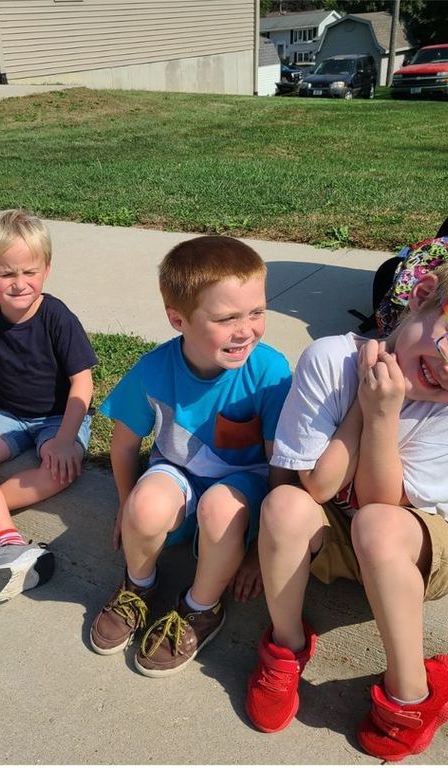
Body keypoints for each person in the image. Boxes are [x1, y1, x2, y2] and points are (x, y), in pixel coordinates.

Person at [245, 246, 448, 761]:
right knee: (285, 506)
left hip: (418, 545)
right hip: (336, 525)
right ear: (422, 297)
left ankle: (411, 696)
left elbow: (386, 504)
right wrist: (360, 404)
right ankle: (285, 649)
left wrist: (382, 416)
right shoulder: (331, 359)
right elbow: (313, 487)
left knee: (377, 523)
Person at [88, 235, 291, 677]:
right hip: (177, 474)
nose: (246, 330)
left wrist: (261, 552)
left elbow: (282, 466)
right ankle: (139, 585)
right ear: (178, 319)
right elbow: (124, 444)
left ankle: (201, 607)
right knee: (145, 503)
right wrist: (126, 506)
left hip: (244, 490)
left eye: (257, 312)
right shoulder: (153, 370)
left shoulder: (270, 373)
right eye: (226, 318)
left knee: (219, 508)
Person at [0, 210, 97, 608]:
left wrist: (63, 440)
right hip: (12, 415)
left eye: (30, 272)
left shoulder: (56, 316)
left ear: (46, 269)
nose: (19, 283)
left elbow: (83, 382)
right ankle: (10, 543)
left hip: (61, 417)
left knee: (60, 470)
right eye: (6, 274)